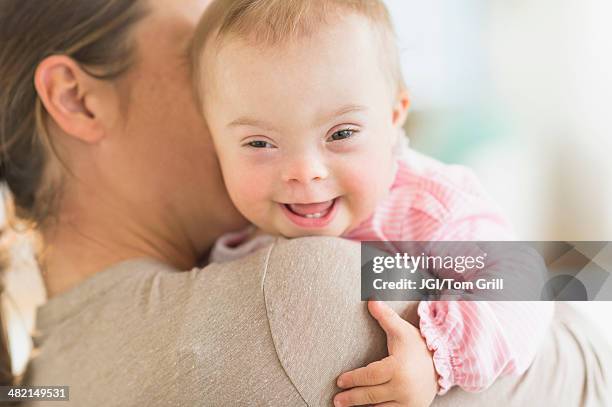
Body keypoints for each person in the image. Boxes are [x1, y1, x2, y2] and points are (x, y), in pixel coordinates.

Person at [0, 0, 610, 406]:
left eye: (339, 131)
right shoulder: (290, 292)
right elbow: (570, 300)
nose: (301, 169)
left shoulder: (48, 373)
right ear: (76, 99)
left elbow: (524, 273)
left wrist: (445, 349)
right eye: (198, 65)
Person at [192, 1, 553, 405]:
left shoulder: (423, 208)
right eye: (260, 143)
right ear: (213, 141)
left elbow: (524, 283)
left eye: (341, 133)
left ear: (394, 114)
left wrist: (436, 360)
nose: (305, 170)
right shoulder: (229, 226)